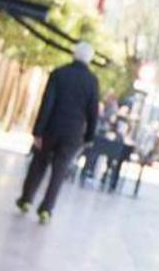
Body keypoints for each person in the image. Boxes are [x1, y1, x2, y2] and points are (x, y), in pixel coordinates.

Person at [16, 42, 100, 224]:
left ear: (73, 53)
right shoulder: (92, 82)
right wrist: (89, 137)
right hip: (73, 133)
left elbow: (46, 104)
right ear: (90, 59)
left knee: (38, 164)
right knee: (59, 171)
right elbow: (93, 112)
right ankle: (46, 209)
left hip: (51, 129)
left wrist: (38, 131)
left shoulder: (59, 74)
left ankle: (26, 199)